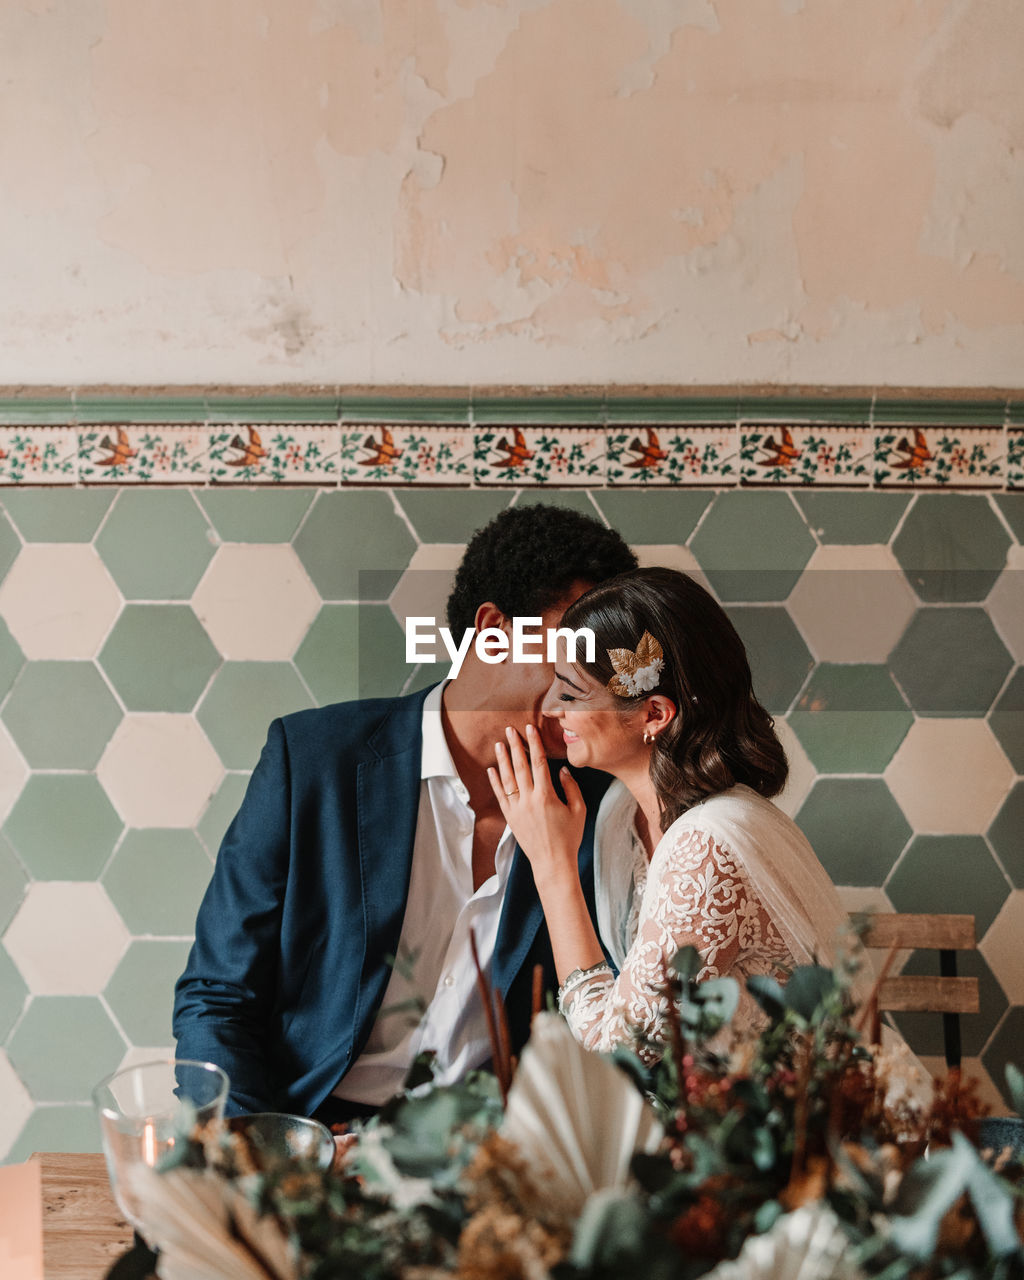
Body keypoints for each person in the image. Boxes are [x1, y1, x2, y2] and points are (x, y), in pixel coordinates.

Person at [173, 504, 637, 1122]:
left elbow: (615, 1029)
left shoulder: (604, 802)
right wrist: (269, 1155)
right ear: (494, 631)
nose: (593, 688)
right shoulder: (311, 762)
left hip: (494, 1162)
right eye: (577, 653)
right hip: (309, 1133)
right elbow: (217, 997)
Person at [488, 566, 853, 1057]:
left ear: (654, 714)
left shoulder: (708, 846)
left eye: (571, 692)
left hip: (807, 1122)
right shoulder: (621, 818)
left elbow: (623, 1051)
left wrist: (552, 866)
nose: (551, 707)